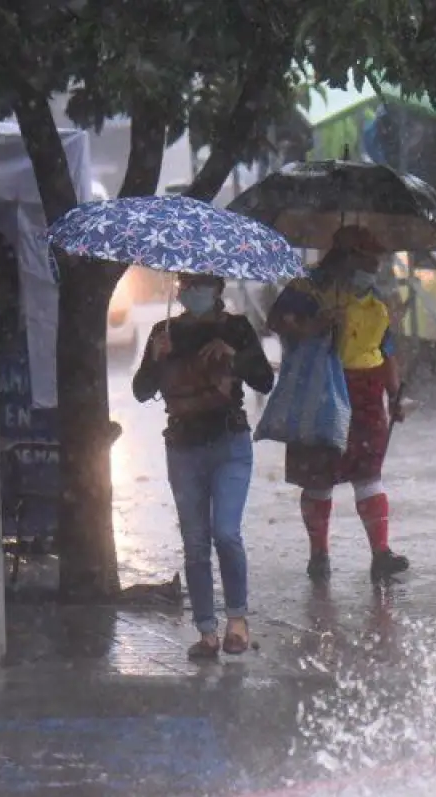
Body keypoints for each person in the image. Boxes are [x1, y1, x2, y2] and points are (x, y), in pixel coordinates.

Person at [132, 273, 274, 659]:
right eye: (186, 284)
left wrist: (235, 355)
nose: (192, 291)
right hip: (182, 446)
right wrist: (155, 358)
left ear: (216, 290)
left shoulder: (237, 328)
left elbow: (264, 380)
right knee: (195, 542)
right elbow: (142, 390)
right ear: (178, 291)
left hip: (229, 442)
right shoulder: (163, 332)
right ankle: (207, 631)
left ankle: (238, 620)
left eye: (201, 285)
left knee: (225, 533)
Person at [267, 225, 410, 584]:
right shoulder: (306, 287)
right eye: (366, 260)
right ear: (346, 255)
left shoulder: (375, 302)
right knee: (319, 478)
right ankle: (319, 553)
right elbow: (276, 322)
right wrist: (315, 324)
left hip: (366, 395)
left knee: (369, 475)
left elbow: (386, 349)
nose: (373, 268)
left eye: (376, 262)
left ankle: (381, 553)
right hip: (320, 391)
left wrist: (394, 396)